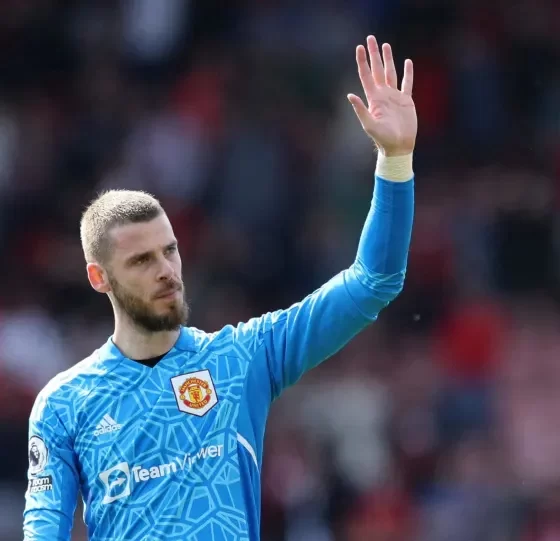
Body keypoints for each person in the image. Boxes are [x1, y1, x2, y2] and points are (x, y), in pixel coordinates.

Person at [23, 35, 417, 541]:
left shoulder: (242, 358)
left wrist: (395, 159)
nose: (166, 270)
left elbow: (374, 281)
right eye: (141, 260)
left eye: (170, 251)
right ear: (99, 278)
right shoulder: (65, 404)